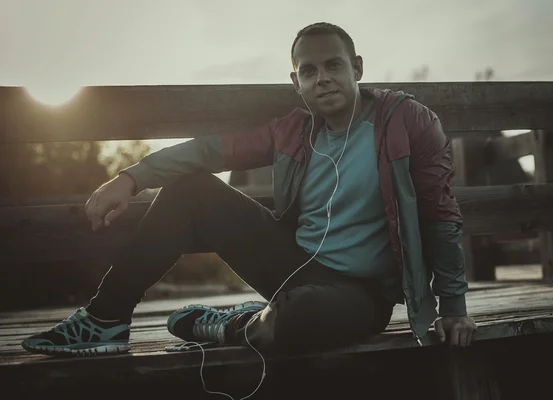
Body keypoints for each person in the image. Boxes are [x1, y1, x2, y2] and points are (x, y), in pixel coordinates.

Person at [22, 22, 477, 358]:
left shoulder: (407, 122)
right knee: (191, 190)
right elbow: (210, 152)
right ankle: (104, 319)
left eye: (334, 65)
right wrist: (131, 177)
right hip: (293, 266)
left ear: (357, 67)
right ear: (295, 82)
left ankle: (236, 324)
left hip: (363, 294)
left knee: (301, 321)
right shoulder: (294, 131)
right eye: (309, 70)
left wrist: (453, 306)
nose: (323, 78)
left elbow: (440, 215)